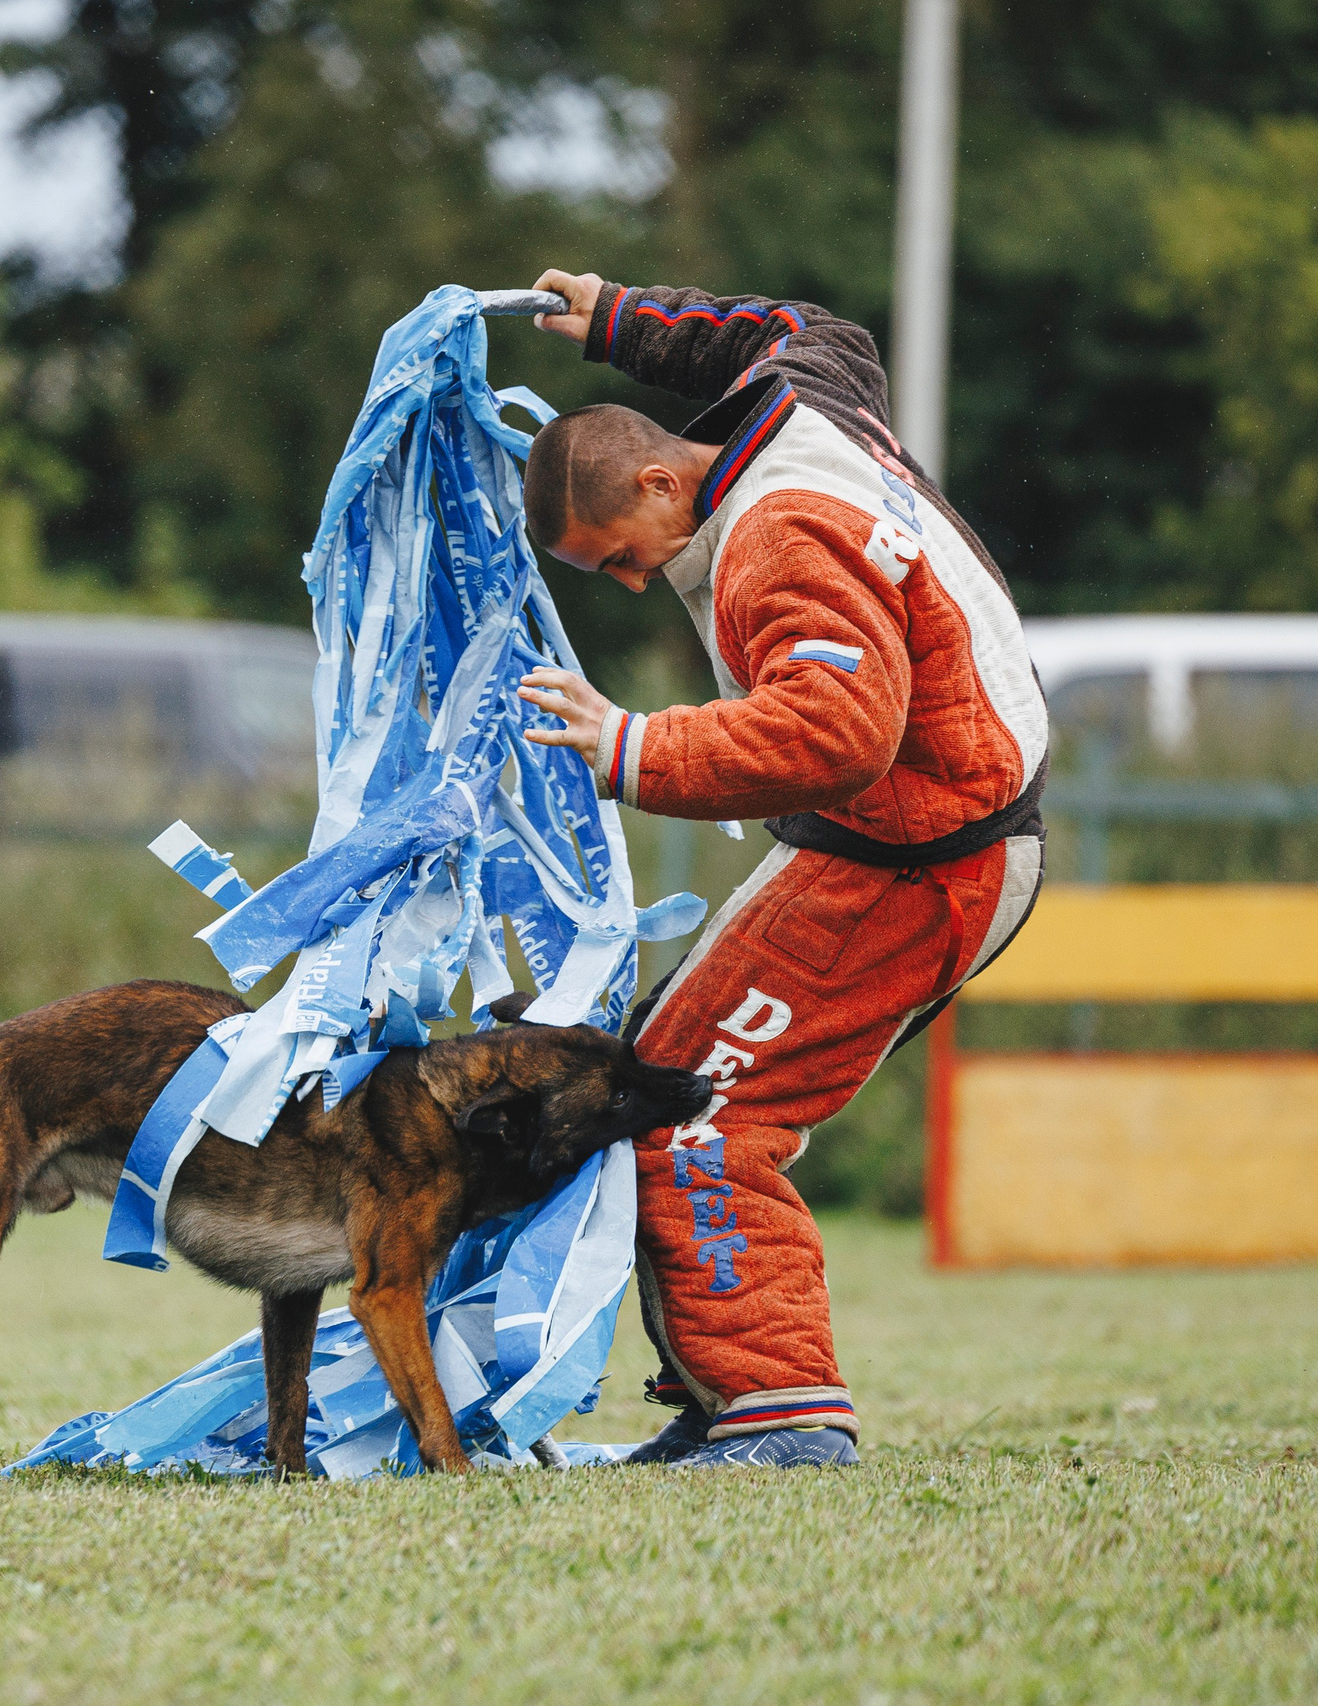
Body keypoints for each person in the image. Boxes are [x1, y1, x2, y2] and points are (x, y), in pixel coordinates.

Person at [513, 271, 1047, 1470]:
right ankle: (728, 1394)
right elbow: (805, 331)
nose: (638, 580)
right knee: (660, 1075)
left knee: (693, 1105)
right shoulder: (805, 406)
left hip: (921, 858)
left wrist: (630, 746)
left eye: (619, 558)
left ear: (661, 483)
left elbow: (836, 731)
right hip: (910, 833)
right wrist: (621, 320)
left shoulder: (775, 537)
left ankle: (783, 1413)